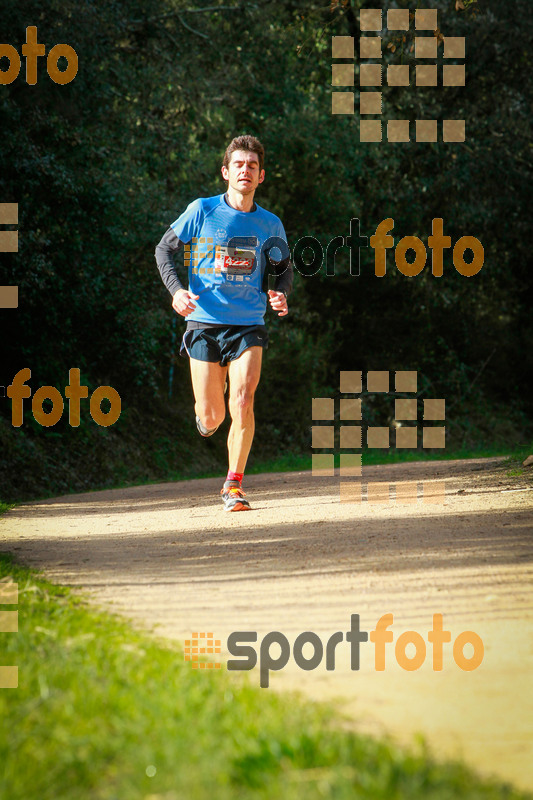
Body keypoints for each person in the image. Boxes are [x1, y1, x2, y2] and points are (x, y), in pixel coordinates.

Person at [155, 135, 293, 511]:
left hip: (248, 323)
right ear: (225, 172)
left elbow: (282, 269)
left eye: (252, 166)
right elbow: (164, 249)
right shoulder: (201, 210)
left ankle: (233, 485)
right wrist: (176, 291)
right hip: (203, 322)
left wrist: (280, 292)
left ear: (261, 176)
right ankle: (206, 417)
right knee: (212, 414)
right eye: (238, 165)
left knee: (244, 400)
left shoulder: (270, 223)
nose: (245, 171)